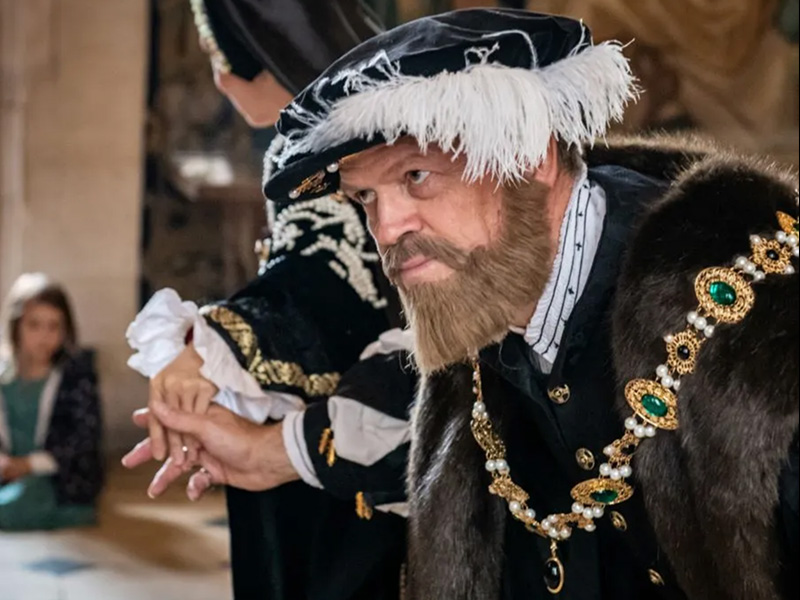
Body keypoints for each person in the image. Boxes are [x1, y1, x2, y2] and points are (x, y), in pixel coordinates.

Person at [249, 8, 797, 600]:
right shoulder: (481, 301)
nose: (386, 228)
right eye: (365, 197)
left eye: (415, 176)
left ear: (529, 157)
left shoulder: (761, 317)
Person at [124, 2, 413, 599]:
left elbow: (321, 277)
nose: (219, 81)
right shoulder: (353, 125)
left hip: (355, 417)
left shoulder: (316, 144)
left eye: (221, 59)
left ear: (266, 55)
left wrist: (212, 343)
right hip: (354, 407)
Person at [0, 273, 103, 531]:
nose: (44, 336)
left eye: (53, 326)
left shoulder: (75, 378)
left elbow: (83, 441)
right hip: (6, 475)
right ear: (16, 326)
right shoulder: (3, 378)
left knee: (18, 503)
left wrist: (27, 465)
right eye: (34, 325)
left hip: (55, 480)